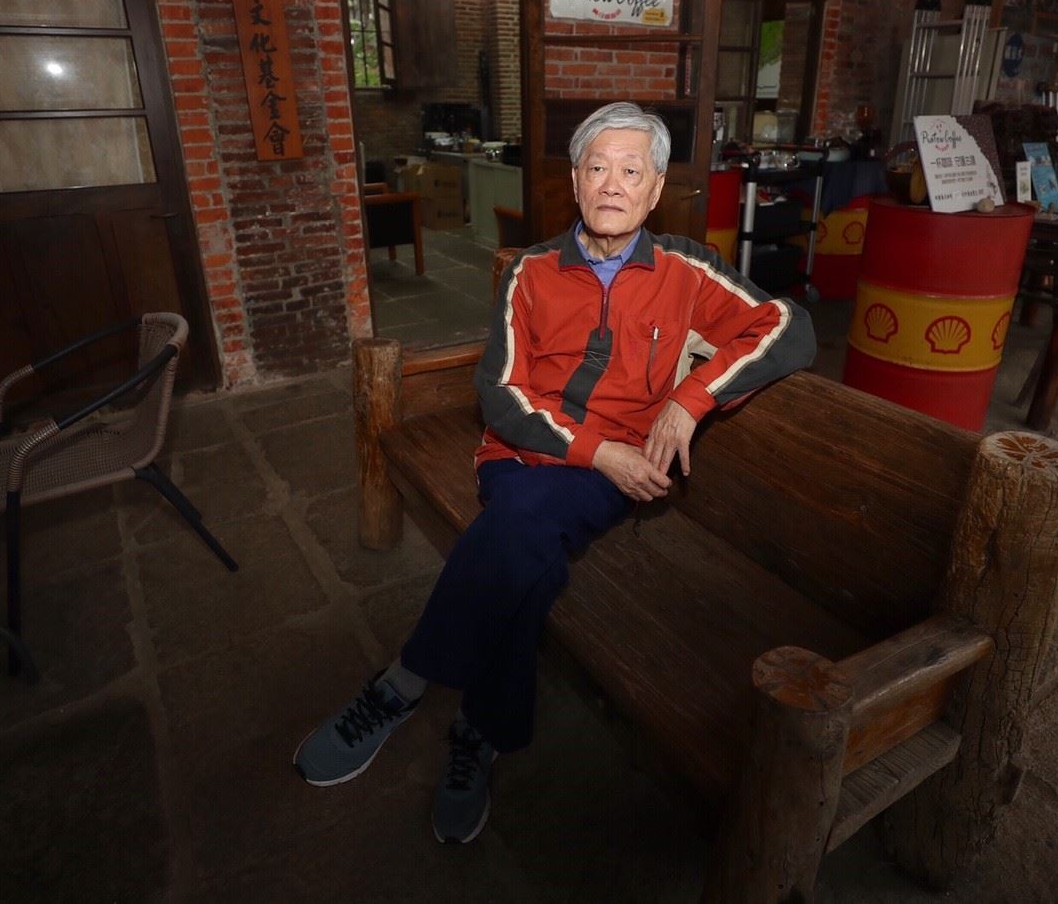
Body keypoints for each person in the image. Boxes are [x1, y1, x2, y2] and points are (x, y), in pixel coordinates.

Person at [293, 101, 817, 844]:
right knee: (526, 547)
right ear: (575, 182)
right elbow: (498, 393)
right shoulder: (532, 272)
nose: (612, 184)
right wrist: (596, 450)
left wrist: (689, 400)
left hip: (609, 475)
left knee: (518, 535)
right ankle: (479, 730)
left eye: (631, 170)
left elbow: (789, 327)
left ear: (655, 190)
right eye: (597, 167)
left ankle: (401, 684)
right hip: (526, 456)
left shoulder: (687, 270)